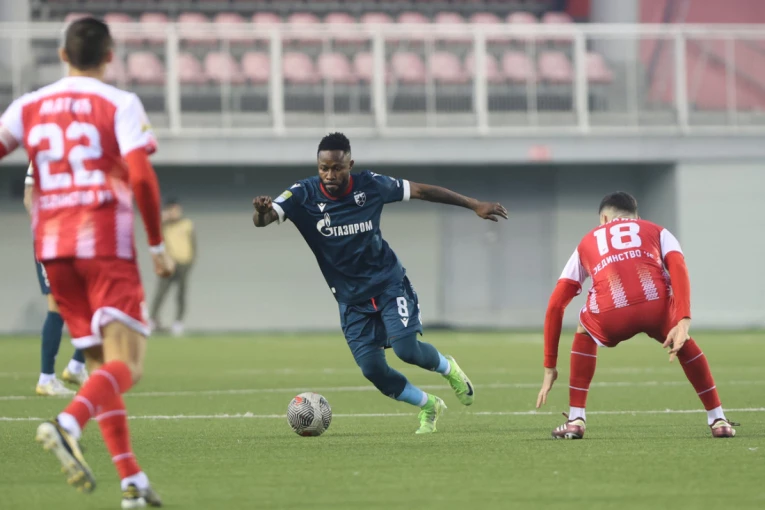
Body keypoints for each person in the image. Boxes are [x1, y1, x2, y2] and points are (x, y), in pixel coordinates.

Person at [0, 18, 174, 507]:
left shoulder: (28, 105)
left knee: (99, 365)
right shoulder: (120, 103)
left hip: (53, 251)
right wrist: (156, 244)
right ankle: (68, 422)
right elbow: (141, 177)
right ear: (110, 55)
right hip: (103, 245)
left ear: (62, 55)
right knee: (128, 365)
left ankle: (132, 482)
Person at [252, 132, 508, 434]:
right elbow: (265, 219)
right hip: (350, 299)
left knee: (406, 350)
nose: (330, 175)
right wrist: (262, 211)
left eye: (337, 168)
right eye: (324, 168)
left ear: (350, 165)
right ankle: (428, 405)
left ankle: (447, 367)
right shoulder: (302, 194)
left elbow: (423, 191)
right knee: (373, 370)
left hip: (388, 283)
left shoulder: (371, 185)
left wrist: (474, 204)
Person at [535, 191, 737, 439]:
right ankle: (718, 419)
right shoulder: (658, 231)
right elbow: (678, 268)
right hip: (656, 307)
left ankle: (576, 419)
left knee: (584, 328)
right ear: (636, 217)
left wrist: (550, 367)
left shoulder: (587, 241)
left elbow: (555, 306)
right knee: (681, 339)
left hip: (610, 313)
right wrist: (683, 320)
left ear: (604, 218)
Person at [24, 162, 89, 396]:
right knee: (57, 305)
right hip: (52, 239)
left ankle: (76, 366)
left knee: (97, 302)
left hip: (79, 240)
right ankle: (47, 378)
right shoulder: (43, 152)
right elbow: (29, 196)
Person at [149, 198, 196, 336]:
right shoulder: (164, 226)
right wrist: (162, 219)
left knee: (181, 294)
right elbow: (155, 235)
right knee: (161, 293)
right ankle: (153, 320)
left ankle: (178, 322)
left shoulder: (187, 224)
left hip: (183, 263)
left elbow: (193, 244)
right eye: (171, 210)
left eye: (176, 210)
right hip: (168, 264)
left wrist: (190, 261)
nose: (174, 213)